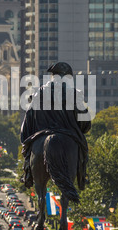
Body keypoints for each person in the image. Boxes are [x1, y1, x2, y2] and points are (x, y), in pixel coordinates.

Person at [21, 62, 91, 191]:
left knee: (29, 152)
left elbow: (28, 117)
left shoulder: (38, 93)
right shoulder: (74, 94)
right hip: (68, 134)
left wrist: (25, 139)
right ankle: (82, 177)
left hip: (41, 134)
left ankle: (28, 174)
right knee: (83, 151)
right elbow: (85, 122)